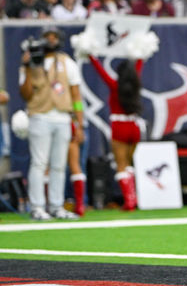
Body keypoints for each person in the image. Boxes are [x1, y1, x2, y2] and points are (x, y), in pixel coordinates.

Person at [19, 25, 83, 220]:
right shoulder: (32, 62)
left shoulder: (66, 62)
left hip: (62, 117)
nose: (51, 40)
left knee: (58, 165)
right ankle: (37, 206)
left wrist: (79, 122)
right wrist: (27, 69)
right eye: (48, 37)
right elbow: (25, 94)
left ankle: (56, 205)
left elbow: (76, 95)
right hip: (40, 115)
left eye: (54, 37)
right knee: (39, 163)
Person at [88, 55, 144, 211]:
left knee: (121, 165)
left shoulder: (114, 86)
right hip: (134, 127)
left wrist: (91, 56)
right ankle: (133, 197)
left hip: (120, 127)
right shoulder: (136, 85)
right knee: (128, 164)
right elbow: (139, 66)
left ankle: (129, 201)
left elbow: (100, 71)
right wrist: (140, 54)